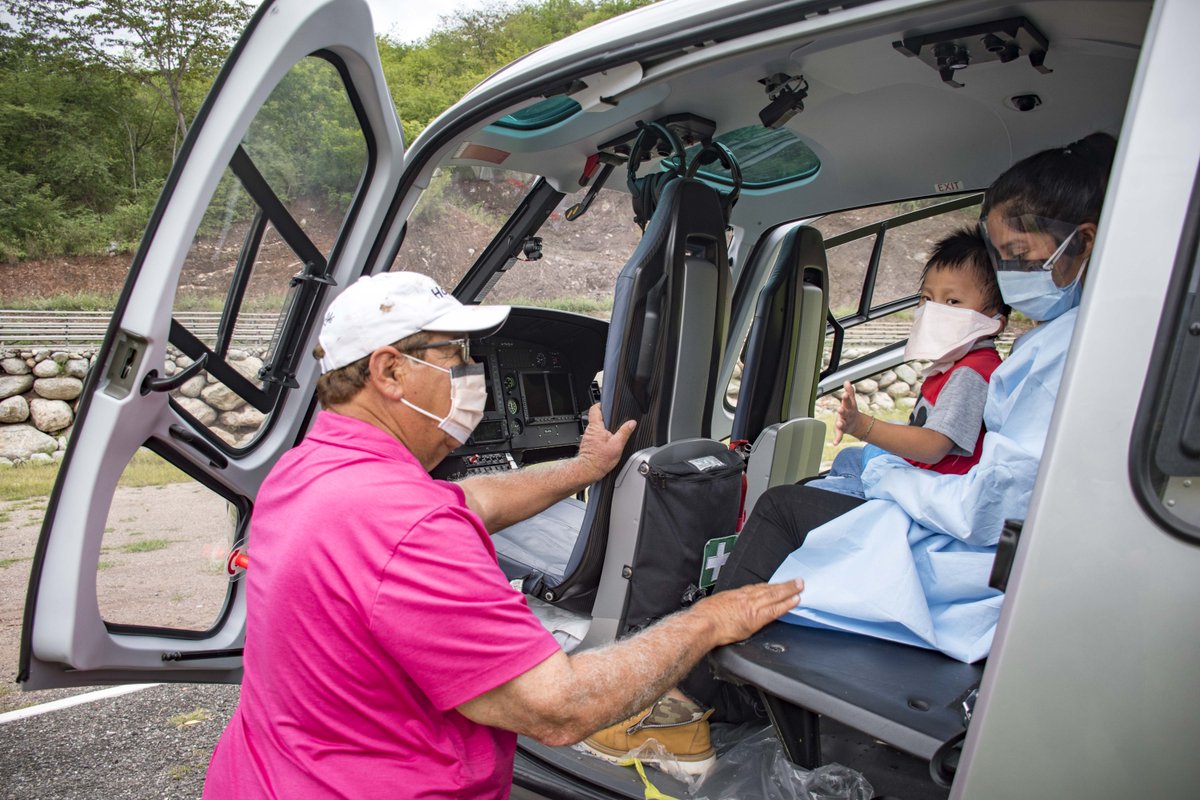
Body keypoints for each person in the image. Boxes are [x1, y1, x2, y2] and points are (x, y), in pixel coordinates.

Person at [201, 270, 804, 798]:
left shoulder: (309, 470)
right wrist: (709, 621)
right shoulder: (408, 525)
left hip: (266, 774)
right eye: (455, 356)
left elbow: (471, 497)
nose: (472, 374)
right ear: (388, 370)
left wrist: (586, 467)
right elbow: (558, 708)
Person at [810, 229, 1008, 499]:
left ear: (996, 320)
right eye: (927, 298)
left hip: (928, 489)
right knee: (847, 458)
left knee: (805, 494)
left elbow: (934, 446)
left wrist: (862, 426)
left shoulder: (970, 374)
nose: (934, 311)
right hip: (918, 473)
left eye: (953, 301)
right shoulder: (955, 365)